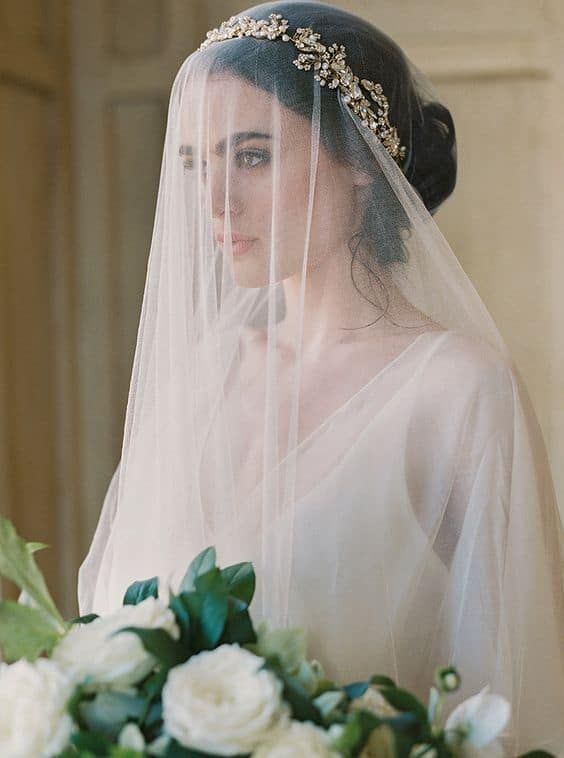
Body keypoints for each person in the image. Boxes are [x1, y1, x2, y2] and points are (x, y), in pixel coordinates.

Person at [77, 2, 564, 752]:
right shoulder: (202, 379)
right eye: (195, 163)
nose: (212, 202)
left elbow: (509, 699)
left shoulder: (459, 392)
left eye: (251, 156)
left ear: (363, 162)